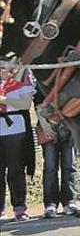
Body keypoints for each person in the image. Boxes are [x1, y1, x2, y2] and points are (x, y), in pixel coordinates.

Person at [0, 68, 36, 222]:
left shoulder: (22, 74)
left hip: (16, 129)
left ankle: (19, 208)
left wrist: (3, 100)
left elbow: (25, 104)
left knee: (16, 170)